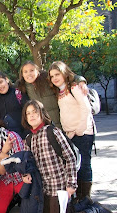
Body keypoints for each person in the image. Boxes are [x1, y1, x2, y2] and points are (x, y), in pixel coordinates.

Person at [48, 61, 95, 201]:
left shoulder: (74, 87)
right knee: (75, 165)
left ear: (64, 73)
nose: (55, 78)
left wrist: (79, 130)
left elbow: (86, 108)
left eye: (57, 74)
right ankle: (78, 197)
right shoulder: (59, 91)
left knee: (84, 165)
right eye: (52, 76)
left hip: (83, 133)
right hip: (70, 134)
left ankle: (85, 198)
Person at [21, 100, 77, 213]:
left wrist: (71, 184)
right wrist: (25, 174)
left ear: (42, 113)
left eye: (35, 112)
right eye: (28, 113)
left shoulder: (52, 132)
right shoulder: (29, 139)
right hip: (42, 191)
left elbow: (70, 158)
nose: (32, 115)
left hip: (59, 187)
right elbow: (28, 163)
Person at [16, 61, 87, 129]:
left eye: (32, 70)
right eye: (25, 72)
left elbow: (68, 76)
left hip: (64, 122)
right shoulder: (22, 87)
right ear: (22, 74)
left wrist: (81, 81)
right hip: (45, 127)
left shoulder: (47, 79)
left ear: (37, 71)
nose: (29, 74)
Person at [0, 71, 29, 138]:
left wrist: (26, 135)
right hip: (6, 138)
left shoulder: (18, 93)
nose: (0, 86)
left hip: (22, 135)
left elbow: (28, 113)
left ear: (7, 80)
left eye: (1, 82)